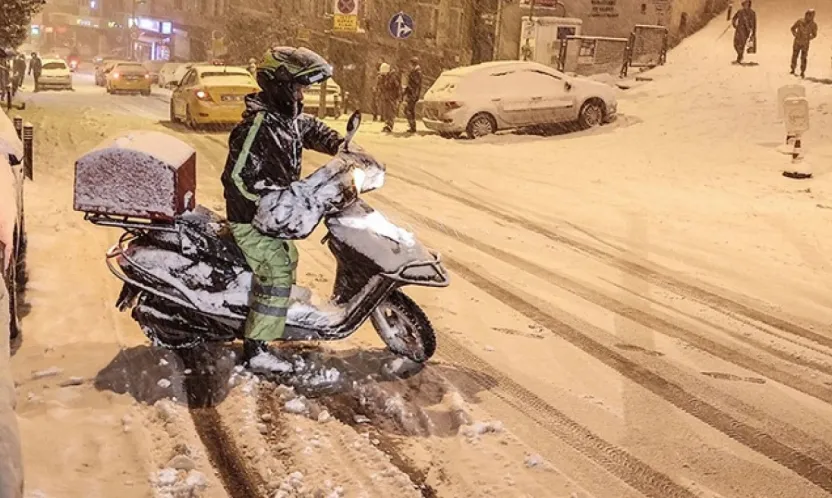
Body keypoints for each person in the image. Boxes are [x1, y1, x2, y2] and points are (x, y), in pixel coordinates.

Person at [220, 46, 344, 364]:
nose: (302, 96)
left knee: (288, 255)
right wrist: (262, 204)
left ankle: (272, 312)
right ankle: (257, 346)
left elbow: (310, 128)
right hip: (251, 220)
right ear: (280, 86)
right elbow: (235, 177)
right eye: (298, 88)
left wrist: (340, 146)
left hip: (273, 216)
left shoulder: (285, 120)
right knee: (275, 269)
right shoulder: (257, 127)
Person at [790, 9, 818, 78]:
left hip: (805, 44)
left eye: (812, 15)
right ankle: (793, 69)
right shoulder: (800, 21)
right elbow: (792, 28)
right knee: (794, 56)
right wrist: (795, 34)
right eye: (808, 14)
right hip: (797, 42)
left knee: (804, 58)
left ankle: (802, 71)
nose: (810, 16)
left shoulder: (813, 25)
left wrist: (809, 38)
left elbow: (814, 34)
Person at [378, 63, 400, 133]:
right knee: (386, 111)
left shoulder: (393, 77)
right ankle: (387, 124)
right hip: (386, 96)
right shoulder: (384, 77)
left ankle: (390, 125)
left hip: (391, 97)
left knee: (390, 112)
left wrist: (396, 96)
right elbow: (382, 86)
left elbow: (396, 87)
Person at [403, 57, 422, 133]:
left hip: (413, 95)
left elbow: (416, 85)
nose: (408, 65)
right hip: (412, 94)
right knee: (409, 110)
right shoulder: (415, 72)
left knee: (408, 110)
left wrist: (413, 94)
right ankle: (412, 126)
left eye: (410, 64)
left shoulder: (417, 72)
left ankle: (412, 126)